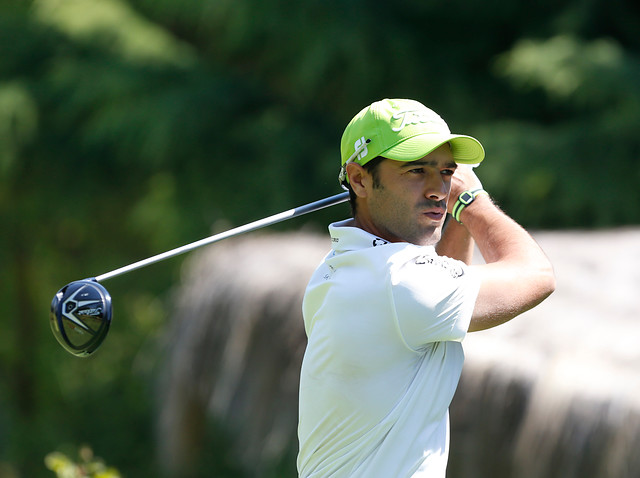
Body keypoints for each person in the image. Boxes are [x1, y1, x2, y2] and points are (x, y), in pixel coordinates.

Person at [297, 98, 555, 477]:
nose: (439, 190)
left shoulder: (337, 268)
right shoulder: (399, 281)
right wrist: (469, 200)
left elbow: (445, 274)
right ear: (359, 179)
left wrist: (456, 215)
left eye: (447, 172)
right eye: (417, 170)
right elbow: (537, 275)